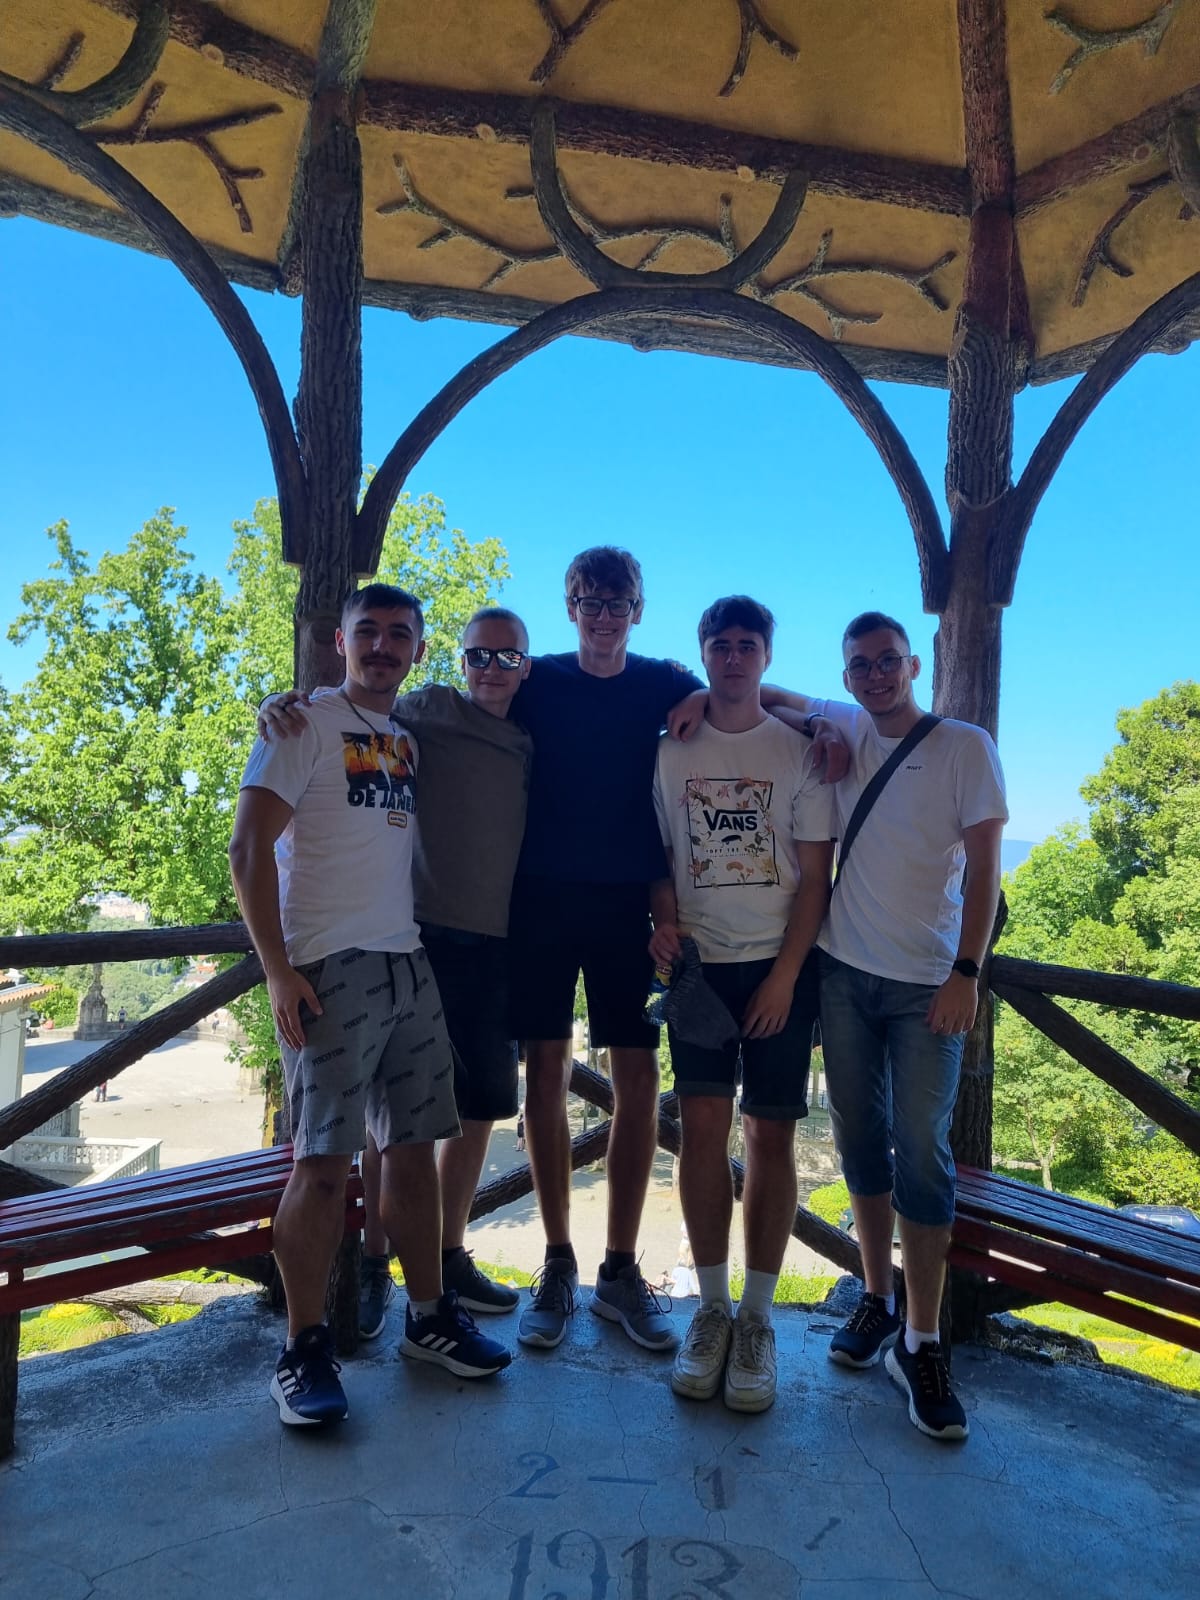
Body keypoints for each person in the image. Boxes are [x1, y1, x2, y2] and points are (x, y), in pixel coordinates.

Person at [230, 583, 510, 1429]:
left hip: (405, 961)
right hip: (327, 967)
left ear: (418, 650)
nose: (382, 647)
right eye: (368, 632)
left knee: (414, 1152)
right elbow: (248, 848)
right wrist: (278, 971)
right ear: (339, 643)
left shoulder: (404, 737)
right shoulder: (301, 726)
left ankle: (428, 1319)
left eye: (398, 634)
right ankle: (303, 1348)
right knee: (322, 1165)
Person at [781, 612, 1005, 1441]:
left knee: (923, 1150)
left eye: (887, 662)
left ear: (913, 665)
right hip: (844, 972)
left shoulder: (964, 747)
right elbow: (763, 692)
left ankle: (922, 1338)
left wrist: (967, 973)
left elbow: (985, 870)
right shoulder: (842, 721)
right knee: (859, 1140)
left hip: (926, 986)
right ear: (845, 676)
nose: (874, 675)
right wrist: (800, 723)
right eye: (859, 666)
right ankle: (876, 1298)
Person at [648, 596, 834, 1412]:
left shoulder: (799, 750)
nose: (732, 657)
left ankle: (758, 1319)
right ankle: (713, 1310)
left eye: (746, 645)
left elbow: (816, 877)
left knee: (770, 1136)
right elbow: (658, 854)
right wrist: (663, 922)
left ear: (766, 655)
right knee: (700, 1133)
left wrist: (787, 977)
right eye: (719, 645)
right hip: (699, 966)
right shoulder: (670, 751)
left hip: (776, 964)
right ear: (702, 653)